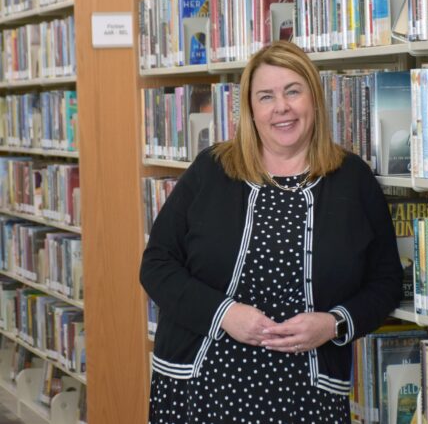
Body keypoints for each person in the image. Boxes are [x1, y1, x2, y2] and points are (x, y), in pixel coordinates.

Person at [140, 40, 403, 423]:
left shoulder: (353, 179)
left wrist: (333, 324)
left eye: (292, 91)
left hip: (308, 394)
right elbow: (157, 264)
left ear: (313, 98)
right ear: (250, 110)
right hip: (201, 385)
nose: (281, 107)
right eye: (265, 97)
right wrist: (223, 314)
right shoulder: (212, 169)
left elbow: (386, 283)